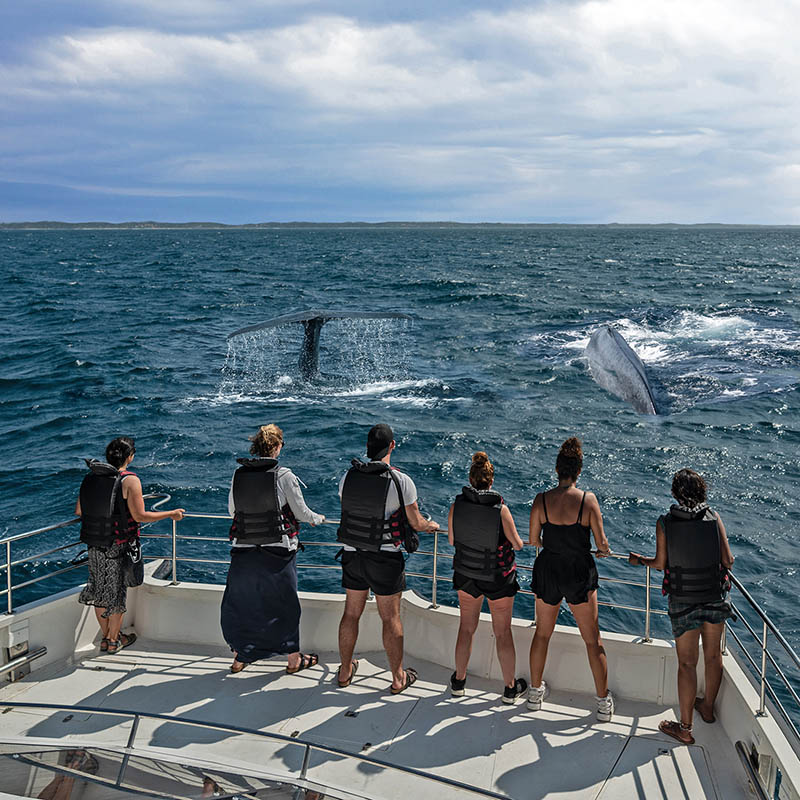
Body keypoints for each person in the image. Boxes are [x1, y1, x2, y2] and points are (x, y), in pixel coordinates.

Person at [629, 468, 734, 745]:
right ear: (702, 491)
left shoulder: (665, 523)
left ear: (675, 493)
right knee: (713, 657)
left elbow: (660, 564)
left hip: (684, 602)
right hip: (714, 597)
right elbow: (729, 560)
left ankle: (685, 728)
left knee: (687, 663)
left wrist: (639, 560)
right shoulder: (714, 517)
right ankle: (708, 708)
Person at [336, 423, 439, 693]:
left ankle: (345, 671)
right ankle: (397, 678)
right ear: (392, 446)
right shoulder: (400, 481)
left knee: (350, 613)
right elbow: (415, 522)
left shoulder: (347, 477)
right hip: (384, 559)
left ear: (368, 448)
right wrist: (430, 525)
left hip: (353, 555)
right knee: (390, 618)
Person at [222, 424, 325, 674]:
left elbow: (232, 511)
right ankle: (293, 660)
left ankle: (241, 656)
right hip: (278, 551)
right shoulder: (285, 475)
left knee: (245, 604)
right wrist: (317, 518)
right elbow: (301, 513)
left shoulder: (239, 474)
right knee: (285, 605)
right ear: (278, 447)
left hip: (244, 549)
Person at [527, 437, 614, 720]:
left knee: (542, 634)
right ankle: (602, 703)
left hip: (548, 568)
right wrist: (603, 550)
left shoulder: (541, 499)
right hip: (578, 571)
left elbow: (533, 539)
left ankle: (535, 694)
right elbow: (601, 544)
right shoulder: (587, 501)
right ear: (579, 470)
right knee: (592, 641)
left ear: (557, 469)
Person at [77, 437, 185, 654]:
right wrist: (171, 514)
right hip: (119, 544)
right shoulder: (129, 480)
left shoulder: (91, 477)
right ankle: (114, 640)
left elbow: (80, 511)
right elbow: (141, 515)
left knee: (100, 591)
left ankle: (107, 637)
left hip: (95, 543)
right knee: (117, 592)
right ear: (130, 457)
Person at [448, 452, 527, 703]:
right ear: (490, 482)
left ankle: (459, 682)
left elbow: (451, 540)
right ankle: (509, 689)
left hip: (466, 574)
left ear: (471, 480)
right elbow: (517, 545)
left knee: (466, 628)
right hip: (497, 578)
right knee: (502, 632)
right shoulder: (501, 510)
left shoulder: (456, 505)